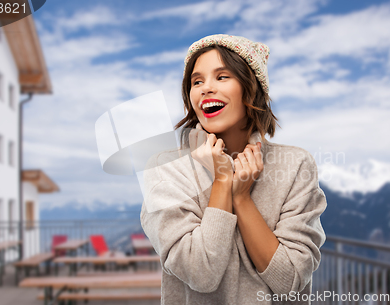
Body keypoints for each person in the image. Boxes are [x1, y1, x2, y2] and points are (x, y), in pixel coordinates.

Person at [140, 34, 327, 305]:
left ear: (251, 88)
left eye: (222, 76)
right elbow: (201, 273)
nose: (206, 88)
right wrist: (222, 181)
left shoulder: (295, 165)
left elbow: (290, 281)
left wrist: (241, 198)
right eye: (197, 81)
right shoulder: (165, 169)